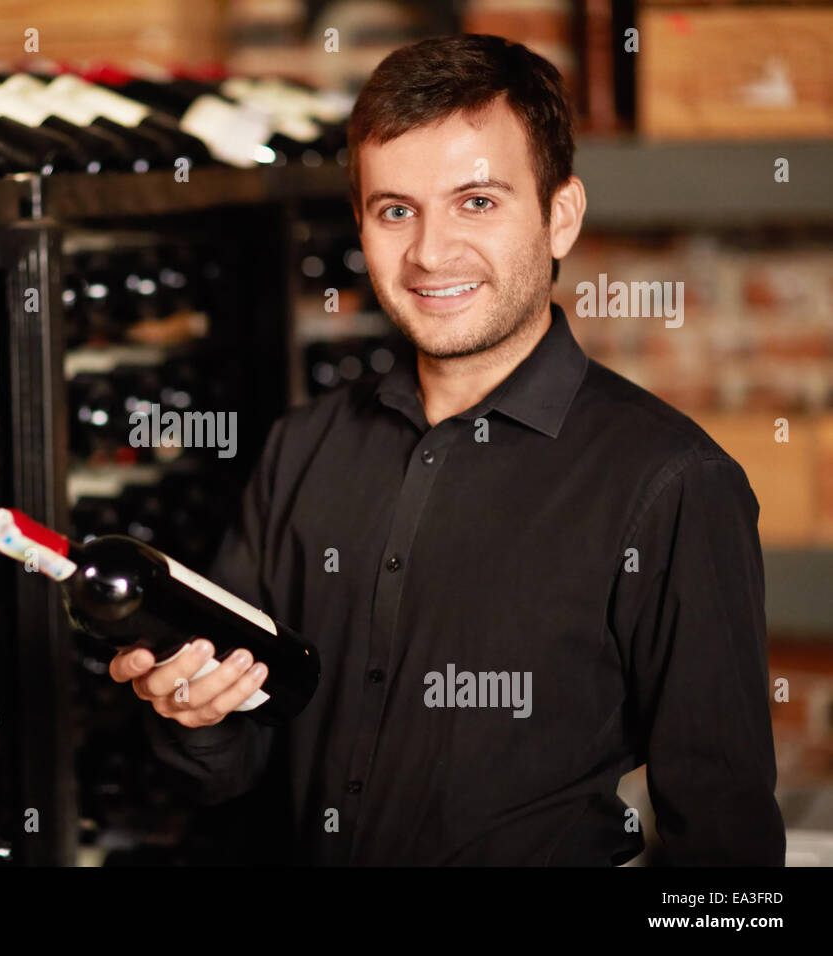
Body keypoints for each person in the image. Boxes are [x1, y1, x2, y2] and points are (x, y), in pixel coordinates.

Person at [109, 33, 786, 865]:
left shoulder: (673, 481)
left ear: (560, 215)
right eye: (396, 210)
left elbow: (728, 850)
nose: (430, 253)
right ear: (360, 221)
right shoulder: (302, 447)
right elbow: (235, 764)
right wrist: (196, 713)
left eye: (477, 201)